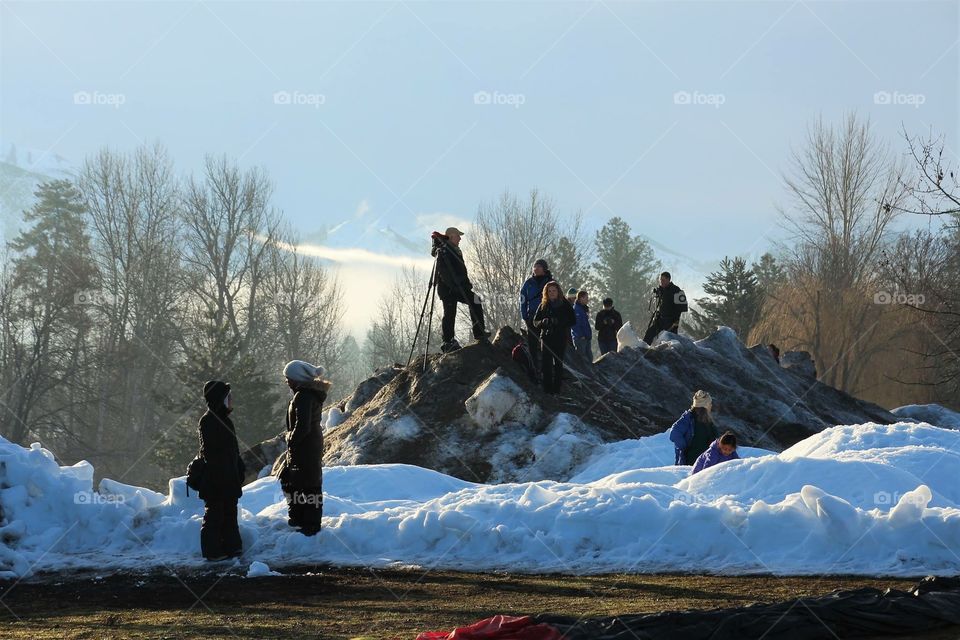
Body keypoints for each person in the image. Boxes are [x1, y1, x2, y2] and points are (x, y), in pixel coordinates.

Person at [197, 380, 244, 561]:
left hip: (229, 476)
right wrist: (223, 472)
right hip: (216, 478)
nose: (231, 400)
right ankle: (212, 551)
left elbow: (233, 451)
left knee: (230, 513)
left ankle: (233, 547)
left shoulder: (225, 420)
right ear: (219, 399)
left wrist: (238, 469)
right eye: (228, 397)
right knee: (215, 514)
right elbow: (210, 452)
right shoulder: (208, 421)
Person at [281, 360, 329, 536]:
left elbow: (302, 426)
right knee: (300, 482)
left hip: (305, 447)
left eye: (288, 378)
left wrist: (290, 439)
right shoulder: (305, 394)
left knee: (307, 484)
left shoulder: (303, 396)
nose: (286, 381)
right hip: (309, 445)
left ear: (297, 379)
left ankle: (309, 524)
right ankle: (302, 519)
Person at [432, 227, 489, 353]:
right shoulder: (444, 251)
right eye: (458, 236)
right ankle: (448, 341)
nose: (460, 238)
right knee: (450, 313)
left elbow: (460, 272)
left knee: (476, 300)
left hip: (459, 287)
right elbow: (444, 272)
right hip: (448, 289)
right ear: (451, 236)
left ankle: (479, 332)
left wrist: (466, 285)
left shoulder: (455, 250)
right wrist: (454, 286)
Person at [533, 281, 576, 394]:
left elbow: (573, 320)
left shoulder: (565, 304)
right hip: (546, 337)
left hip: (560, 338)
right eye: (549, 291)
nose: (552, 293)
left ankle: (556, 389)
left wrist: (558, 322)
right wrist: (543, 322)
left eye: (554, 291)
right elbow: (535, 321)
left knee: (558, 364)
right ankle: (547, 389)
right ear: (546, 292)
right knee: (546, 364)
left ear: (558, 292)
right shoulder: (543, 305)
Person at [668, 390, 718, 465]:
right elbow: (674, 433)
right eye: (710, 403)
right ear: (706, 406)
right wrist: (684, 448)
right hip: (689, 463)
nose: (711, 406)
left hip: (705, 462)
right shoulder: (689, 418)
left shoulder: (709, 422)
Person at [518, 259, 553, 362]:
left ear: (544, 269)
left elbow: (556, 299)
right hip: (532, 316)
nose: (536, 268)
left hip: (547, 315)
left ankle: (548, 366)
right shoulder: (528, 283)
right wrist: (524, 316)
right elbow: (522, 299)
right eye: (534, 266)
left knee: (547, 343)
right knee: (532, 343)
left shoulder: (550, 282)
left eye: (539, 266)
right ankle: (534, 366)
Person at [643, 271, 689, 345]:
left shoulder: (676, 291)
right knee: (649, 333)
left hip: (671, 321)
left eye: (663, 280)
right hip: (660, 319)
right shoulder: (662, 290)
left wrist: (676, 321)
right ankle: (642, 349)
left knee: (669, 341)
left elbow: (682, 307)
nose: (661, 282)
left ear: (668, 280)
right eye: (660, 280)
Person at [571, 290, 593, 363]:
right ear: (581, 298)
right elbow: (575, 325)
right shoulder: (576, 309)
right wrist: (581, 335)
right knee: (582, 359)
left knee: (589, 357)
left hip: (586, 337)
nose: (588, 299)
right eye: (586, 298)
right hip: (580, 338)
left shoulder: (583, 309)